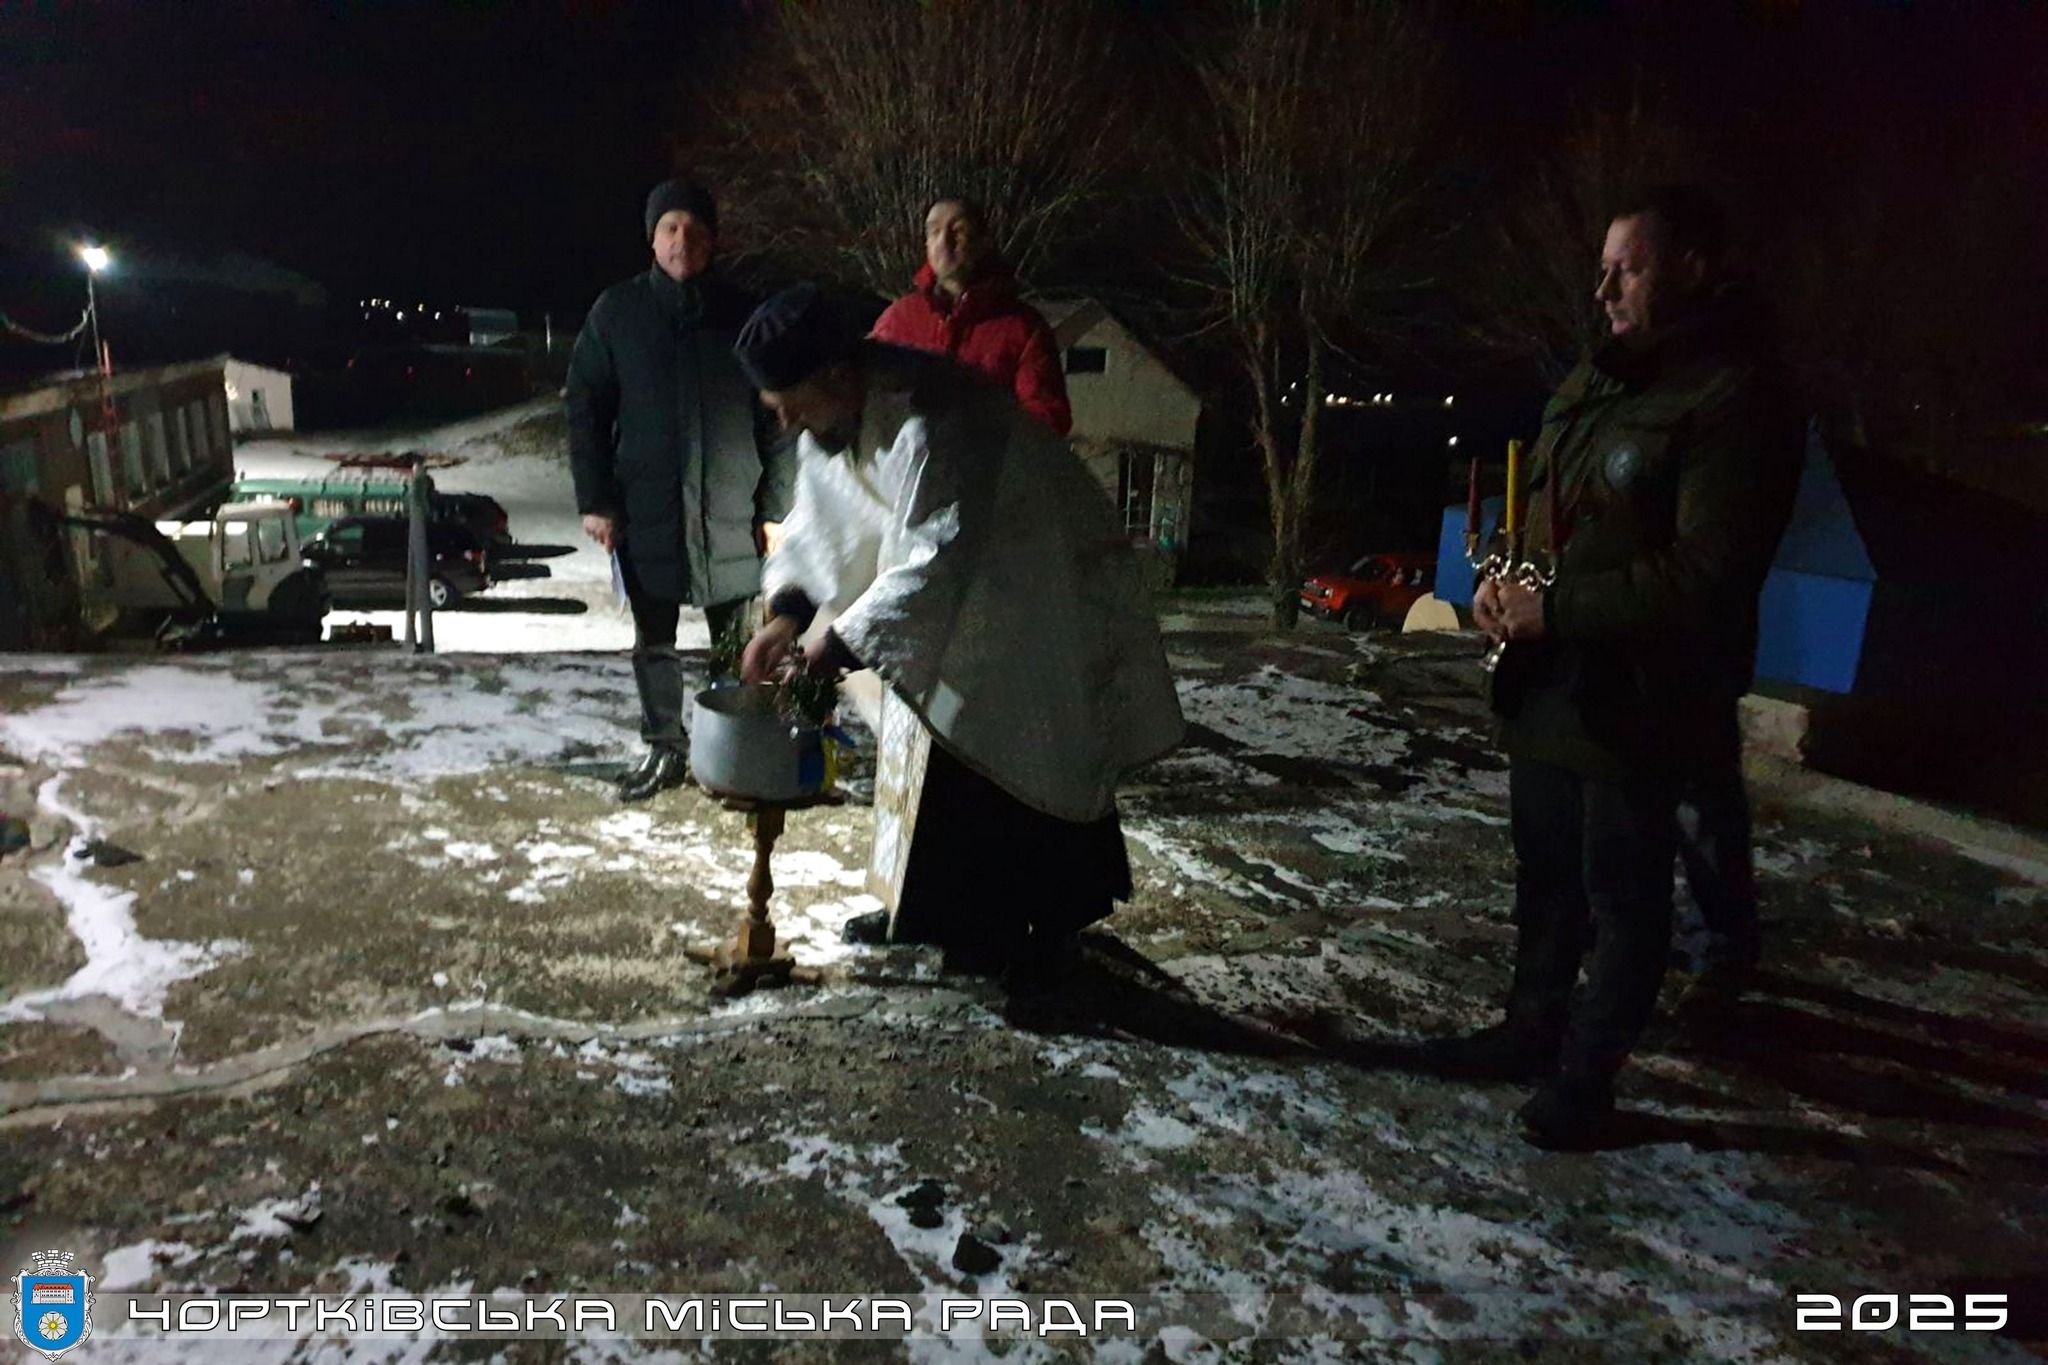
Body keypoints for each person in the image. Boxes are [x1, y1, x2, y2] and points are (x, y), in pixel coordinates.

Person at [1426, 185, 1802, 1147]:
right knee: (1544, 874)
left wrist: (1560, 609)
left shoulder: (1734, 395)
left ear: (1689, 268)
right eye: (1601, 268)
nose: (1603, 288)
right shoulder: (1594, 384)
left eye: (1625, 266)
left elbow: (1708, 574)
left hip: (1642, 698)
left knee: (1621, 896)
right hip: (1554, 682)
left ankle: (1587, 1077)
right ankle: (1530, 1027)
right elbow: (1551, 513)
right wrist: (1506, 588)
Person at [732, 283, 1181, 983]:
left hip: (1031, 597)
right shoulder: (833, 423)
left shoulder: (935, 418)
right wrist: (790, 614)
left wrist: (836, 645)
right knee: (929, 762)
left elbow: (932, 559)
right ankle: (929, 911)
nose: (786, 423)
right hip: (947, 616)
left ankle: (1033, 947)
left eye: (788, 404)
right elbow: (826, 527)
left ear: (835, 374)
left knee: (1020, 760)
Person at [567, 178, 796, 802]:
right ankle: (666, 749)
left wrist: (775, 507)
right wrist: (597, 500)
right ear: (652, 237)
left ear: (712, 239)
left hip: (732, 514)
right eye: (670, 227)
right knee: (656, 644)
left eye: (694, 229)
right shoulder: (617, 314)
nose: (682, 240)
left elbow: (780, 419)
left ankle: (724, 751)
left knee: (733, 646)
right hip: (648, 516)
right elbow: (584, 407)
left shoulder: (747, 317)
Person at [868, 197, 1073, 436]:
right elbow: (865, 398)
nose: (944, 241)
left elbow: (1047, 417)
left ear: (984, 242)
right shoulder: (897, 321)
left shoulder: (1022, 328)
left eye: (958, 230)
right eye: (934, 232)